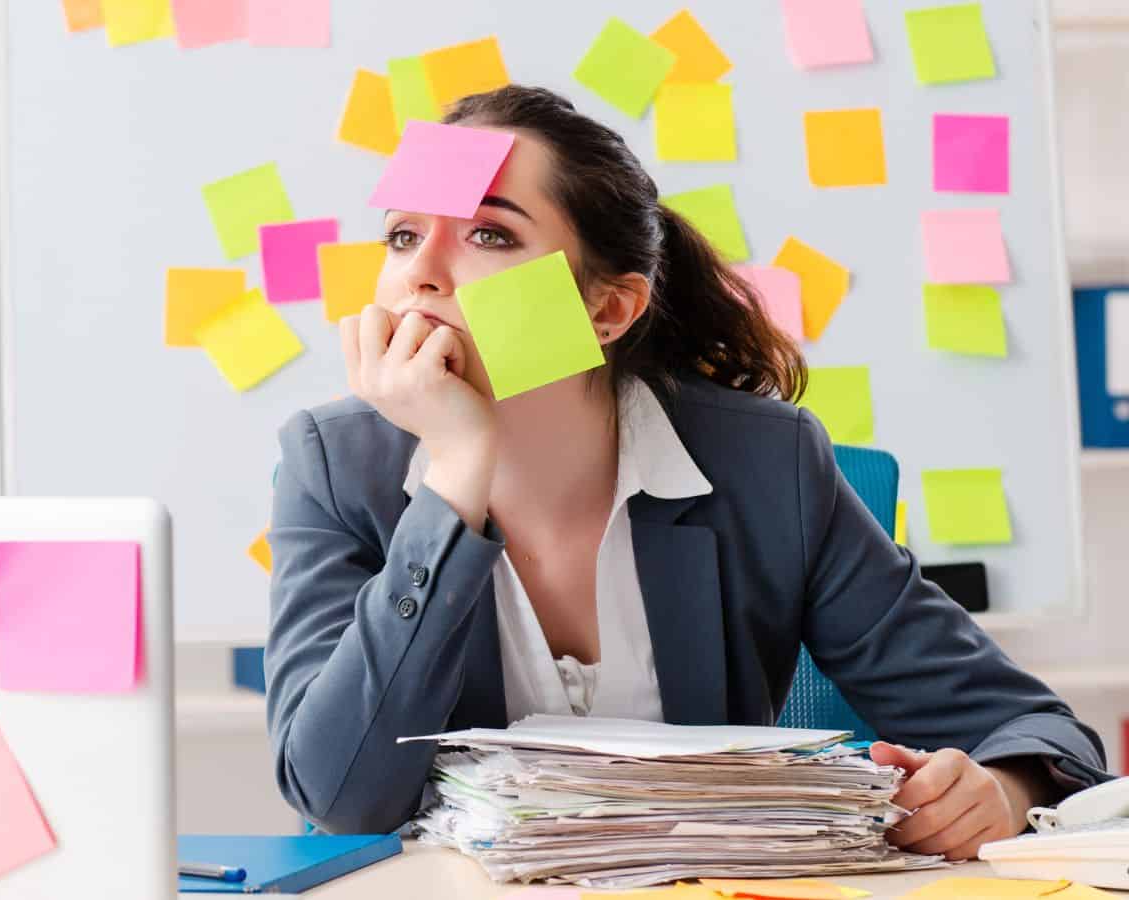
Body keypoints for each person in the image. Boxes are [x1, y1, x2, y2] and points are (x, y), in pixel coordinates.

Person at [262, 85, 1110, 859]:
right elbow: (341, 798)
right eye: (403, 235)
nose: (420, 272)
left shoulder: (768, 464)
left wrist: (1002, 791)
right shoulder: (334, 466)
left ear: (607, 309)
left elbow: (1033, 731)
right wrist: (453, 476)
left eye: (490, 234)